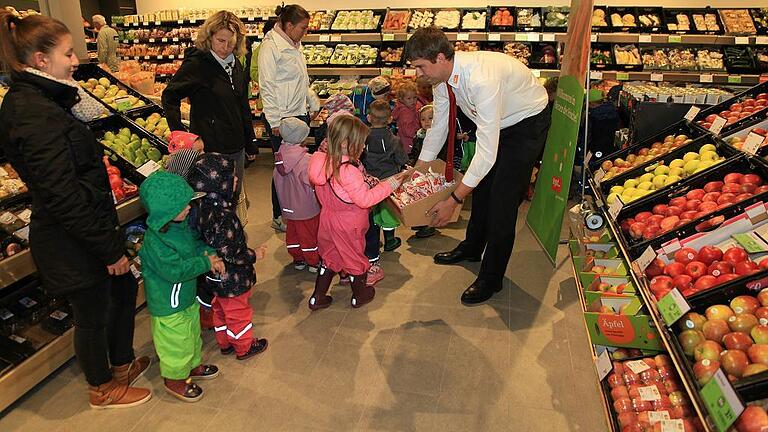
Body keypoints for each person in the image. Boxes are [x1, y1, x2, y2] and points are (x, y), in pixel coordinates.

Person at [0, 11, 151, 409]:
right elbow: (62, 193)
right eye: (68, 53)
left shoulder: (47, 99)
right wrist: (108, 248)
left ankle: (120, 365)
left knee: (119, 293)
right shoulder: (32, 112)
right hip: (72, 238)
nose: (75, 60)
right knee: (91, 312)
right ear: (39, 59)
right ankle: (101, 387)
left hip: (86, 230)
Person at [406, 26, 551, 305]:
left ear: (439, 58)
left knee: (502, 201)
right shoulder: (442, 80)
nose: (418, 74)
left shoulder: (481, 79)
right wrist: (420, 168)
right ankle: (472, 247)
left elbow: (486, 151)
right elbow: (439, 125)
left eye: (421, 67)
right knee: (483, 190)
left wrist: (455, 198)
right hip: (497, 123)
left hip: (526, 124)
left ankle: (491, 277)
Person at [162, 10, 256, 226]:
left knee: (232, 197)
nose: (225, 47)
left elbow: (242, 104)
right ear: (209, 37)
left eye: (231, 42)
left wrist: (250, 142)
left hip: (236, 147)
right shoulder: (198, 64)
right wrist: (182, 137)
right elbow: (169, 96)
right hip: (210, 147)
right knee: (211, 204)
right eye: (220, 40)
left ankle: (230, 240)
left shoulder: (236, 64)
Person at [138, 172, 224, 402]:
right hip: (168, 305)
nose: (190, 207)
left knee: (192, 334)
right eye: (184, 204)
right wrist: (205, 263)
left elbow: (194, 244)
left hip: (185, 297)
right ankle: (175, 379)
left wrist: (209, 253)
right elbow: (175, 271)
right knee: (175, 343)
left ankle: (192, 366)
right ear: (165, 210)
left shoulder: (180, 226)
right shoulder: (155, 243)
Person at [306, 116, 407, 310]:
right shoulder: (348, 171)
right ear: (345, 143)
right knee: (354, 258)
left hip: (327, 219)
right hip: (348, 223)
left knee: (330, 255)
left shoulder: (320, 160)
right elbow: (365, 200)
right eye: (360, 143)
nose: (363, 147)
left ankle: (317, 297)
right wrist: (391, 183)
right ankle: (360, 295)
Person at [187, 154, 270, 360]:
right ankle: (244, 346)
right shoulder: (223, 215)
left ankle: (224, 343)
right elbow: (232, 252)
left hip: (213, 275)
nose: (235, 180)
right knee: (238, 313)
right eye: (230, 177)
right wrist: (254, 255)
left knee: (219, 309)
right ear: (217, 183)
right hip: (232, 278)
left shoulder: (200, 208)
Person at [258, 4, 318, 232]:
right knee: (283, 169)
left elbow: (301, 79)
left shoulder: (294, 45)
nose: (305, 32)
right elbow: (267, 86)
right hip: (282, 118)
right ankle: (278, 214)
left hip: (299, 113)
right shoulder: (270, 47)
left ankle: (298, 211)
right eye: (303, 28)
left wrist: (311, 102)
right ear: (289, 25)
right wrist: (274, 121)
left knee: (298, 167)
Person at [273, 117, 321, 272]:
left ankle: (298, 258)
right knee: (309, 235)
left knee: (293, 234)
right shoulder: (306, 159)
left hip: (288, 205)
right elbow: (312, 180)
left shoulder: (280, 156)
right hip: (306, 207)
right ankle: (313, 262)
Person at [363, 99, 408, 258]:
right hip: (389, 182)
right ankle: (390, 240)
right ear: (390, 119)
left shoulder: (363, 137)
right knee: (388, 211)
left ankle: (372, 239)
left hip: (368, 181)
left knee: (371, 210)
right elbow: (401, 159)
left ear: (369, 118)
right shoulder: (394, 140)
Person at [407, 104, 438, 239]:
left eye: (430, 118)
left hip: (434, 171)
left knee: (431, 198)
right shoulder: (419, 135)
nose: (427, 122)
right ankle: (421, 220)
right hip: (420, 170)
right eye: (423, 119)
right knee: (421, 196)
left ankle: (429, 225)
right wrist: (411, 163)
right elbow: (414, 152)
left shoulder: (439, 136)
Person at [392, 81, 421, 154]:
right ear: (401, 99)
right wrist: (417, 133)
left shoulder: (407, 108)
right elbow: (408, 131)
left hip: (403, 140)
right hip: (408, 142)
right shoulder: (405, 113)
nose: (413, 101)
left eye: (415, 98)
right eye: (409, 98)